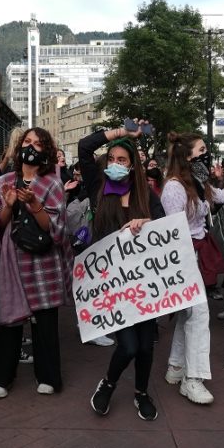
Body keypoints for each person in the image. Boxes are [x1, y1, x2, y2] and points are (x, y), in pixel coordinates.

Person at [161, 132, 224, 404]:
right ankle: (193, 378)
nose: (207, 153)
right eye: (202, 149)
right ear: (188, 156)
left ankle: (176, 367)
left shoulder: (198, 184)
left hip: (198, 257)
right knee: (199, 316)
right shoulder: (174, 188)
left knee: (189, 315)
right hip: (185, 258)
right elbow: (171, 230)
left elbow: (223, 196)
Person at [80, 122, 164, 421]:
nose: (115, 165)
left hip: (143, 280)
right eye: (112, 159)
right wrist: (119, 134)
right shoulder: (97, 187)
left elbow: (164, 225)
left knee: (145, 346)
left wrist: (145, 222)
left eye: (122, 160)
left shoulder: (146, 196)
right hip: (112, 281)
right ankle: (109, 383)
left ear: (132, 166)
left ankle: (141, 393)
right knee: (127, 345)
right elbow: (84, 147)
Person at [0, 128, 71, 399]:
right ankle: (2, 376)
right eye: (27, 142)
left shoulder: (52, 183)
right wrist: (9, 205)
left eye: (38, 143)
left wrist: (34, 203)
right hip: (12, 262)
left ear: (46, 151)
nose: (31, 147)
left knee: (45, 321)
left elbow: (56, 228)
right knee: (6, 321)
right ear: (18, 146)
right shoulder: (6, 181)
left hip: (42, 261)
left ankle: (47, 376)